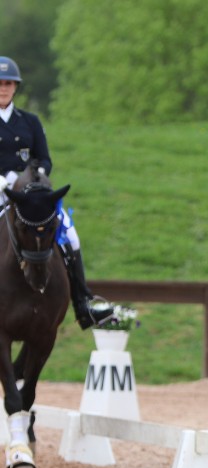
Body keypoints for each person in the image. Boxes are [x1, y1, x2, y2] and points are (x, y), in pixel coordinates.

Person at [0, 56, 114, 329]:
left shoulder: (30, 121)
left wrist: (34, 178)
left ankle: (83, 302)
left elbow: (45, 159)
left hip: (28, 195)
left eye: (8, 84)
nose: (3, 88)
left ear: (16, 87)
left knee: (69, 235)